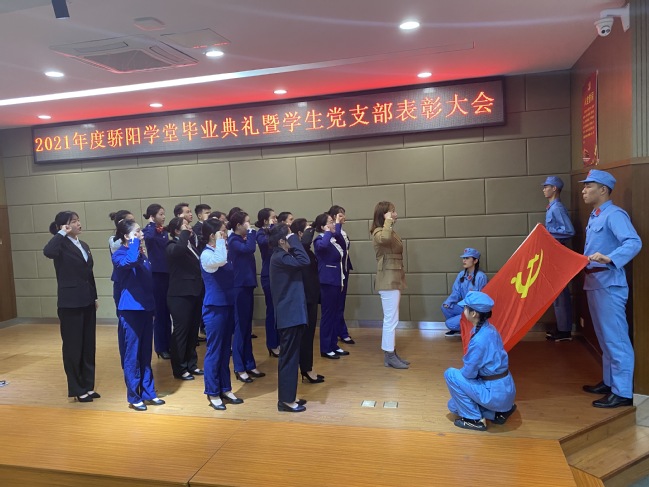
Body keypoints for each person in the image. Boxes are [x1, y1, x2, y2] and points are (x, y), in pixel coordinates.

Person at [580, 169, 642, 408]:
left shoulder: (614, 215)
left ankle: (622, 392)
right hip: (594, 282)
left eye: (589, 186)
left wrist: (611, 258)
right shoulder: (596, 216)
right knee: (605, 337)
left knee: (616, 338)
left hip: (609, 283)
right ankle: (609, 382)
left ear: (603, 190)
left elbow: (633, 242)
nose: (584, 190)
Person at [43, 211, 99, 402]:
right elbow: (48, 252)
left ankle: (88, 386)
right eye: (73, 222)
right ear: (64, 226)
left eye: (78, 220)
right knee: (73, 347)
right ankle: (77, 388)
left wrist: (95, 296)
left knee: (88, 345)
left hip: (87, 300)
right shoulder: (60, 245)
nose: (78, 224)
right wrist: (61, 233)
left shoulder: (83, 245)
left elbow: (89, 274)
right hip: (70, 303)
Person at [111, 219, 165, 411]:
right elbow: (130, 261)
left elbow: (148, 283)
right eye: (137, 232)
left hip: (146, 308)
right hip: (131, 310)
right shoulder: (120, 254)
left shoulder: (141, 254)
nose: (141, 234)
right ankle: (134, 396)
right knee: (132, 354)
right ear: (127, 236)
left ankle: (148, 392)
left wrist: (153, 308)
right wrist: (133, 243)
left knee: (145, 353)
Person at [444, 291, 517, 431]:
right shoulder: (491, 329)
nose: (463, 310)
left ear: (473, 314)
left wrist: (462, 377)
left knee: (451, 374)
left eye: (465, 308)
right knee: (453, 405)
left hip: (494, 393)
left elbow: (469, 373)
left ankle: (474, 419)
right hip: (506, 390)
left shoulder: (479, 339)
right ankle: (497, 412)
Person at [200, 219, 243, 411]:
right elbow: (219, 260)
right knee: (215, 350)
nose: (225, 234)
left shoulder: (221, 250)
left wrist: (221, 241)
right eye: (222, 232)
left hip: (227, 305)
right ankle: (212, 392)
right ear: (212, 235)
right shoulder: (207, 254)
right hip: (214, 308)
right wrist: (219, 241)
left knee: (226, 349)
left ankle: (225, 388)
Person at [269, 224, 310, 412]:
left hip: (293, 315)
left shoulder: (284, 256)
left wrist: (292, 239)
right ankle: (286, 400)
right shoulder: (280, 257)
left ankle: (289, 396)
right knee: (289, 359)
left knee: (292, 357)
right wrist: (293, 238)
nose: (294, 238)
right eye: (290, 236)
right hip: (289, 315)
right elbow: (304, 260)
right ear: (281, 241)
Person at [227, 211, 265, 382]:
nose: (250, 225)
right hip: (238, 287)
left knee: (247, 328)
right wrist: (251, 232)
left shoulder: (242, 240)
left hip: (247, 286)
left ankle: (249, 363)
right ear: (238, 225)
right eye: (247, 222)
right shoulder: (234, 240)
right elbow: (250, 248)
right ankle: (239, 366)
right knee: (240, 328)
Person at [371, 201, 408, 369]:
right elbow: (385, 239)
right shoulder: (379, 232)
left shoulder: (389, 230)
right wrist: (388, 221)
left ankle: (391, 352)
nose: (395, 214)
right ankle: (389, 355)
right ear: (384, 214)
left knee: (393, 319)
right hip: (388, 279)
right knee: (390, 320)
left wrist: (389, 222)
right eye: (392, 212)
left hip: (393, 277)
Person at [166, 217, 204, 381]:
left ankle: (191, 364)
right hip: (180, 295)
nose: (189, 227)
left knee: (193, 331)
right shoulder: (172, 245)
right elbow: (178, 252)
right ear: (176, 231)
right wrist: (183, 235)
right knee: (181, 332)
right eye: (185, 226)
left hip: (194, 292)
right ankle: (179, 368)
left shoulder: (190, 245)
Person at [542, 176, 576, 342]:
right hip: (553, 254)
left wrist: (547, 234)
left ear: (554, 188)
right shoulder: (552, 208)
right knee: (557, 293)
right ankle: (562, 327)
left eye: (546, 186)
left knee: (560, 293)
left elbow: (569, 231)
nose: (544, 189)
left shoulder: (557, 208)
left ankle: (564, 330)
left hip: (558, 254)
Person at [291, 218, 324, 384]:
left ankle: (307, 367)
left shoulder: (307, 251)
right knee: (304, 336)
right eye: (307, 230)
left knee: (309, 335)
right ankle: (306, 368)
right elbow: (303, 244)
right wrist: (310, 230)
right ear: (299, 233)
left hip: (311, 296)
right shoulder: (298, 251)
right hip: (304, 299)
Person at [313, 212, 349, 359]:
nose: (333, 223)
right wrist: (328, 232)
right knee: (328, 315)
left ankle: (334, 344)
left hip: (337, 280)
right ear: (323, 226)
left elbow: (343, 246)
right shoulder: (319, 239)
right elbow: (322, 247)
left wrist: (336, 227)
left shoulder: (333, 239)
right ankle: (326, 347)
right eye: (330, 222)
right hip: (327, 281)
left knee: (335, 314)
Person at [142, 204, 172, 359]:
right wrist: (152, 224)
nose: (164, 217)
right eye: (160, 214)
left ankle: (168, 343)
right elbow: (148, 238)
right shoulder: (149, 230)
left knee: (167, 311)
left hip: (167, 273)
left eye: (164, 213)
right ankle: (160, 347)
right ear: (153, 216)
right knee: (160, 312)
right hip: (157, 275)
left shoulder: (163, 231)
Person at [441, 248, 488, 338]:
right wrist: (448, 302)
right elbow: (456, 292)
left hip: (474, 311)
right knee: (445, 307)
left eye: (467, 258)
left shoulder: (481, 277)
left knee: (449, 323)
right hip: (464, 307)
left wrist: (470, 312)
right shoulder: (461, 274)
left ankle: (466, 327)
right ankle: (460, 328)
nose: (464, 260)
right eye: (463, 258)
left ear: (475, 261)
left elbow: (481, 298)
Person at [108, 209, 135, 367]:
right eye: (130, 221)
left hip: (134, 283)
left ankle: (136, 359)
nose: (134, 224)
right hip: (121, 284)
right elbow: (129, 256)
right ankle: (126, 358)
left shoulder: (133, 239)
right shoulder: (115, 240)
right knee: (125, 323)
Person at [328, 205, 355, 346]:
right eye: (340, 215)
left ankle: (340, 330)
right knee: (336, 304)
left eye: (343, 214)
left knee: (341, 303)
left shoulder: (342, 231)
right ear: (334, 217)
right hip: (335, 272)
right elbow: (336, 238)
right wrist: (337, 223)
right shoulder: (332, 231)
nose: (344, 217)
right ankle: (341, 332)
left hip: (344, 269)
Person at [255, 208, 280, 357]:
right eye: (273, 218)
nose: (276, 220)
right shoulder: (260, 233)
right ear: (265, 220)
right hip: (268, 275)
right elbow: (265, 242)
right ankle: (272, 344)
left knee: (279, 310)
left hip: (279, 275)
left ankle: (280, 341)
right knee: (272, 310)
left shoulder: (276, 231)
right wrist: (272, 228)